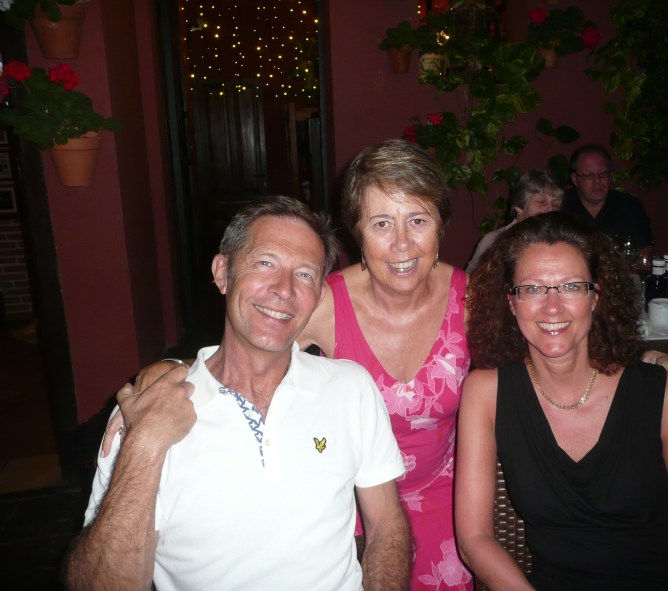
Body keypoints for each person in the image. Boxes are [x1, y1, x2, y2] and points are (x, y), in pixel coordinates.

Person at [105, 140, 668, 591]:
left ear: (441, 228)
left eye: (417, 221)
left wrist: (645, 358)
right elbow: (251, 334)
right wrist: (165, 370)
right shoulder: (323, 303)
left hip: (450, 503)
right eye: (381, 224)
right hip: (345, 504)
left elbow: (554, 334)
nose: (400, 244)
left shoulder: (473, 299)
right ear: (357, 234)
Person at [66, 196, 411, 590]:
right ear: (222, 273)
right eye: (265, 263)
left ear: (318, 296)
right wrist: (145, 444)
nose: (284, 289)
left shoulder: (351, 388)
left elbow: (386, 526)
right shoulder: (151, 409)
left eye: (304, 274)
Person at [455, 212, 668, 590]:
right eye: (533, 289)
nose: (552, 307)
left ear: (596, 297)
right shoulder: (485, 393)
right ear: (511, 302)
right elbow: (474, 539)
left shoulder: (662, 393)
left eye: (572, 287)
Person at [465, 171, 564, 274]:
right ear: (519, 206)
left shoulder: (563, 242)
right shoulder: (493, 241)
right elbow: (470, 280)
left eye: (555, 205)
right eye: (541, 202)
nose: (550, 209)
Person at [562, 144, 653, 251]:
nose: (597, 181)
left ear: (610, 175)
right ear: (575, 179)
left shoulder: (630, 206)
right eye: (588, 175)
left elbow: (644, 250)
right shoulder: (560, 205)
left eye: (603, 173)